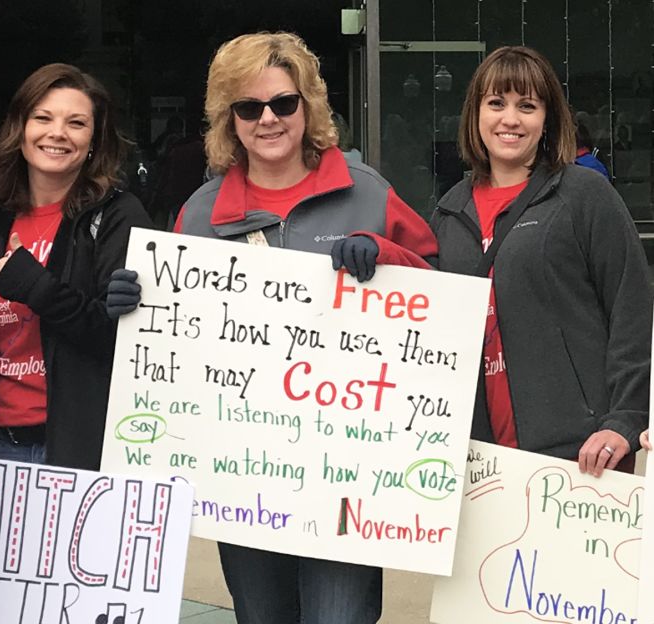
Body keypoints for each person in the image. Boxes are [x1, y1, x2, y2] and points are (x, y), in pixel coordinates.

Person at [107, 32, 437, 624]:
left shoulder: (367, 193)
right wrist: (136, 303)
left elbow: (441, 301)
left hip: (348, 477)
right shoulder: (201, 214)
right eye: (248, 106)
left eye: (283, 103)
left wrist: (390, 254)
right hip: (241, 477)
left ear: (307, 106)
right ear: (227, 119)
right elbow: (172, 342)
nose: (268, 119)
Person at [430, 46, 651, 478]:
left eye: (527, 106)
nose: (510, 119)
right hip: (480, 462)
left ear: (547, 119)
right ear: (475, 114)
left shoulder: (584, 196)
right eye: (496, 103)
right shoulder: (448, 213)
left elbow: (631, 308)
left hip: (582, 457)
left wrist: (625, 419)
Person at [0, 63, 152, 489]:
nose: (58, 133)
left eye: (76, 123)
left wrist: (37, 288)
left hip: (84, 452)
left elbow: (125, 342)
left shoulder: (118, 216)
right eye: (43, 118)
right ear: (20, 128)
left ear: (94, 140)